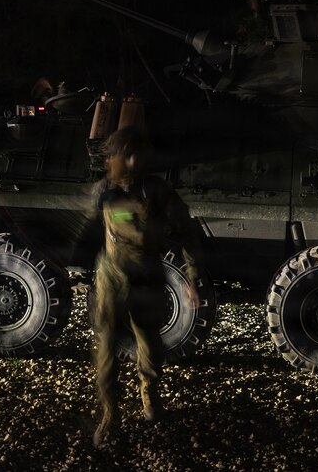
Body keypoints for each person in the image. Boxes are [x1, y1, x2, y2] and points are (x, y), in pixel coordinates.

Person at [90, 126, 204, 449]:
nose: (128, 160)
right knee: (106, 351)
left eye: (133, 154)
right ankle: (110, 416)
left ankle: (150, 401)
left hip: (148, 278)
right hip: (113, 278)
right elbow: (100, 223)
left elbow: (186, 231)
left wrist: (192, 278)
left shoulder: (158, 191)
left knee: (151, 349)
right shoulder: (105, 191)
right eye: (121, 154)